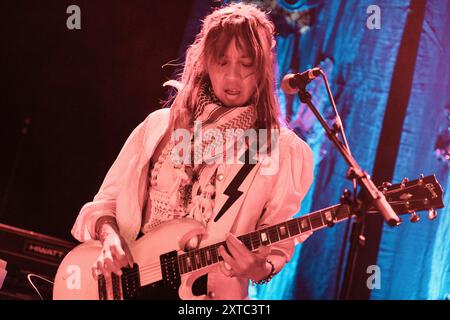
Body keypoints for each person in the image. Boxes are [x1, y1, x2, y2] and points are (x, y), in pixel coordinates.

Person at [71, 2, 314, 300]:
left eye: (246, 64)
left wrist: (259, 269)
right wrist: (110, 240)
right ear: (205, 62)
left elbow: (277, 239)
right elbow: (104, 204)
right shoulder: (160, 127)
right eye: (222, 62)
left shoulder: (276, 146)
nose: (233, 76)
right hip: (128, 285)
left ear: (262, 69)